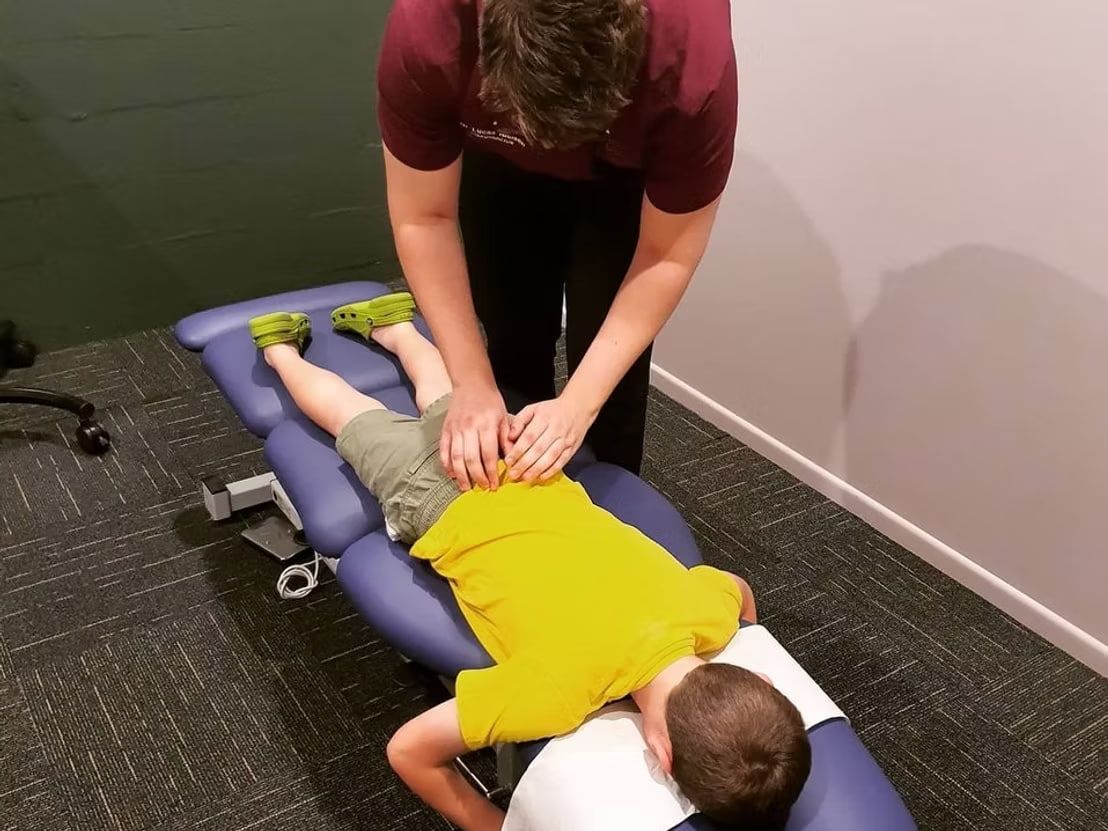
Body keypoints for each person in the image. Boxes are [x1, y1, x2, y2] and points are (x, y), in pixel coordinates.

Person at [247, 293, 811, 831]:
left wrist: (747, 632)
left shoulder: (705, 616)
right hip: (436, 498)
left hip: (523, 465)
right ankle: (279, 350)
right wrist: (493, 825)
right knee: (353, 415)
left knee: (446, 396)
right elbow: (408, 750)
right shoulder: (556, 694)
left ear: (759, 677)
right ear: (661, 753)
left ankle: (393, 326)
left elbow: (735, 588)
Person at [377, 0, 738, 489]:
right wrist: (472, 385)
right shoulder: (429, 33)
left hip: (621, 174)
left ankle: (603, 511)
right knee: (509, 337)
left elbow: (667, 253)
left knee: (609, 389)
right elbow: (423, 218)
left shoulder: (689, 67)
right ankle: (515, 476)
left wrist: (578, 405)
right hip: (496, 153)